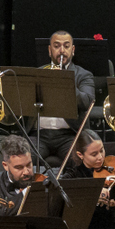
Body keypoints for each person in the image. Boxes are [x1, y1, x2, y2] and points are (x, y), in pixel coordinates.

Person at [30, 30, 97, 163]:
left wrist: (65, 82)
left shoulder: (84, 75)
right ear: (49, 50)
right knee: (22, 159)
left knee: (78, 161)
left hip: (69, 135)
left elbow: (87, 102)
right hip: (39, 135)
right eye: (56, 46)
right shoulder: (37, 74)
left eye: (66, 46)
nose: (62, 51)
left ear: (73, 50)